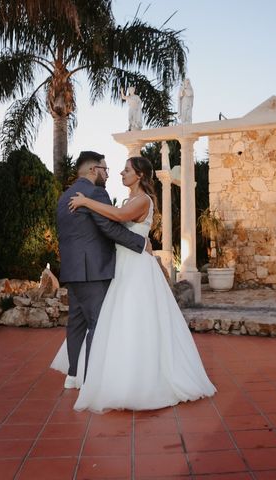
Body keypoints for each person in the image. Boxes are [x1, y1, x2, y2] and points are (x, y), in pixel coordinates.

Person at [63, 156, 216, 413]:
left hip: (135, 268)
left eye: (127, 170)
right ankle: (114, 374)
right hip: (122, 265)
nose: (121, 173)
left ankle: (141, 379)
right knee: (117, 321)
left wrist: (86, 201)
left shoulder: (143, 200)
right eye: (121, 169)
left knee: (134, 319)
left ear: (140, 176)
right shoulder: (128, 199)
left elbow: (119, 216)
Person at [52, 151, 150, 390]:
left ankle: (73, 376)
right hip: (94, 271)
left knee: (76, 323)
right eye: (105, 169)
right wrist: (141, 243)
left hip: (72, 271)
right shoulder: (96, 192)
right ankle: (92, 379)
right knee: (98, 323)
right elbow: (109, 228)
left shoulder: (64, 197)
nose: (109, 174)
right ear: (94, 170)